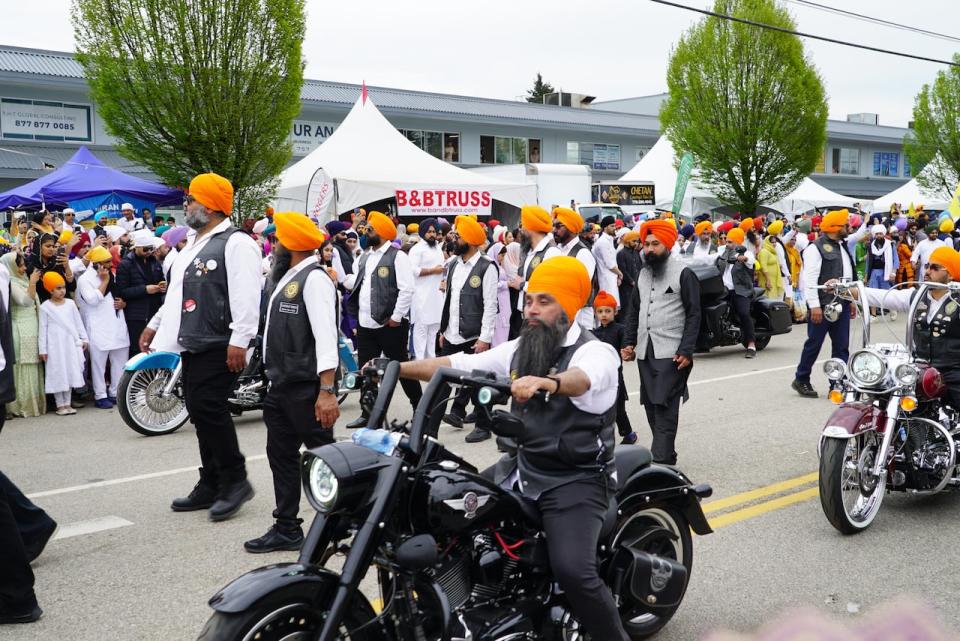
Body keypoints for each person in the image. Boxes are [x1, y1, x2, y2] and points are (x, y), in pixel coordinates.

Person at [398, 255, 629, 641]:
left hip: (577, 479)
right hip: (522, 467)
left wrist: (548, 382)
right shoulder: (524, 346)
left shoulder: (595, 352)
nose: (532, 309)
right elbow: (462, 362)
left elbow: (585, 379)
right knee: (447, 513)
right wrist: (396, 367)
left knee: (574, 571)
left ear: (568, 307)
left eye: (544, 301)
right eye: (529, 299)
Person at [140, 173, 261, 521]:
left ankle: (235, 479)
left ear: (211, 207)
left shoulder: (237, 243)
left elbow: (247, 297)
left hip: (221, 341)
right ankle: (211, 481)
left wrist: (240, 341)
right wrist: (155, 324)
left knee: (209, 407)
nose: (186, 205)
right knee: (197, 408)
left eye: (192, 199)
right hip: (193, 339)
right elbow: (177, 294)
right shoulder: (192, 245)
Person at [245, 213, 339, 554]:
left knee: (326, 458)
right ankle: (287, 527)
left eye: (279, 240)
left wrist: (326, 392)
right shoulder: (289, 276)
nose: (275, 245)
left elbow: (326, 338)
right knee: (281, 456)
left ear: (292, 245)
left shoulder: (314, 280)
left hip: (306, 388)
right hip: (281, 386)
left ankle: (344, 520)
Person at [622, 220, 701, 465]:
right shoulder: (643, 274)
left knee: (665, 405)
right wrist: (629, 342)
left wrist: (686, 350)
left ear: (667, 244)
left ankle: (661, 461)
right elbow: (634, 311)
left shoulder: (683, 273)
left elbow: (694, 313)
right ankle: (667, 454)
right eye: (646, 244)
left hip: (673, 352)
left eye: (655, 244)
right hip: (646, 351)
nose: (649, 249)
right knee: (651, 406)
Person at [842, 246, 960, 407]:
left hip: (953, 373)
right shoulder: (916, 296)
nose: (927, 271)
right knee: (887, 399)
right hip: (920, 371)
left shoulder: (957, 299)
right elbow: (881, 296)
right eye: (927, 266)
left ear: (950, 274)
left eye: (935, 267)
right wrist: (846, 290)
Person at [343, 211, 421, 428]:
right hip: (366, 323)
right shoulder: (364, 257)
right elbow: (358, 284)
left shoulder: (398, 257)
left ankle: (420, 408)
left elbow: (407, 289)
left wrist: (396, 317)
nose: (366, 232)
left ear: (383, 233)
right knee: (366, 370)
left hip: (390, 324)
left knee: (402, 368)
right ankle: (368, 414)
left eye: (370, 229)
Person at [438, 216, 499, 442]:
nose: (454, 240)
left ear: (471, 241)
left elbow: (490, 305)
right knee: (442, 381)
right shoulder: (453, 264)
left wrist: (485, 338)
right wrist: (443, 330)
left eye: (459, 236)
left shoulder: (487, 267)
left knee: (476, 384)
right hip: (451, 333)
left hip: (473, 335)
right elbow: (449, 300)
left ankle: (484, 426)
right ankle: (429, 426)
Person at [792, 209, 859, 398]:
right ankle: (801, 379)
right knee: (814, 344)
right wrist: (814, 305)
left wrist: (852, 301)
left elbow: (849, 277)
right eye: (846, 225)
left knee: (841, 346)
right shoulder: (816, 248)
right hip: (823, 305)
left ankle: (837, 383)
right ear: (835, 228)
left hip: (843, 304)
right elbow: (810, 279)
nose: (849, 227)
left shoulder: (842, 245)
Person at [76, 246, 129, 409]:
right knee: (99, 363)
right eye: (106, 262)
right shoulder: (85, 279)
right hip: (98, 325)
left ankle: (116, 392)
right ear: (97, 263)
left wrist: (123, 303)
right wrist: (104, 280)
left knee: (120, 359)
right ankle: (100, 395)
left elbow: (117, 294)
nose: (110, 264)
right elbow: (92, 300)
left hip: (117, 321)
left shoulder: (110, 273)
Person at [0, 253, 44, 418]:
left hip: (31, 326)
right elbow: (25, 301)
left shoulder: (21, 279)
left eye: (24, 264)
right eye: (20, 265)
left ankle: (33, 405)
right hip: (20, 328)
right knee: (23, 367)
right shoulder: (10, 281)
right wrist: (32, 282)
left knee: (32, 366)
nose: (24, 268)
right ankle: (19, 406)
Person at [38, 272, 88, 416]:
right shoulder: (45, 307)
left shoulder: (71, 304)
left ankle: (68, 402)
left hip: (70, 343)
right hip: (54, 346)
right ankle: (60, 404)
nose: (62, 291)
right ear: (50, 290)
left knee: (70, 370)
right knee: (57, 372)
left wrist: (84, 339)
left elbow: (78, 322)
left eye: (63, 288)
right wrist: (43, 349)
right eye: (58, 288)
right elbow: (43, 329)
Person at [592, 290, 635, 444]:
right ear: (595, 313)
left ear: (615, 312)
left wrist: (628, 352)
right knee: (601, 407)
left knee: (618, 408)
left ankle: (628, 433)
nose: (604, 314)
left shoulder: (620, 330)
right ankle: (602, 436)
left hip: (615, 376)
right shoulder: (593, 333)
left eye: (608, 311)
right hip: (599, 377)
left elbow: (627, 348)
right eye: (600, 311)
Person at [116, 229, 166, 359]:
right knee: (137, 349)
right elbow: (122, 291)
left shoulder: (153, 261)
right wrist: (145, 290)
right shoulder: (125, 264)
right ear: (136, 247)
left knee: (154, 347)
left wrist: (162, 286)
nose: (149, 252)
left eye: (151, 249)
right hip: (136, 315)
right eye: (146, 249)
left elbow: (159, 279)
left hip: (154, 310)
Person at [552, 207, 598, 330]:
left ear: (571, 228)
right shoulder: (559, 251)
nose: (554, 230)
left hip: (579, 322)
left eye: (558, 226)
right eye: (554, 226)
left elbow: (580, 291)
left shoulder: (582, 253)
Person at [512, 206, 561, 321]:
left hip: (540, 318)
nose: (521, 231)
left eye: (522, 226)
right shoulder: (528, 252)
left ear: (530, 228)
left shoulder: (552, 252)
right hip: (523, 315)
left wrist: (522, 285)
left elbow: (551, 288)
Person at [715, 228, 758, 357]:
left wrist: (742, 258)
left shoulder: (747, 252)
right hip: (723, 291)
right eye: (726, 241)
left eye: (730, 242)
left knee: (744, 314)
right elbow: (709, 258)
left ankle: (751, 344)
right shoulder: (723, 252)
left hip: (740, 291)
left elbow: (750, 260)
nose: (726, 244)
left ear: (738, 242)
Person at [408, 218, 444, 359]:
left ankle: (430, 363)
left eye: (434, 232)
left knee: (433, 332)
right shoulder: (417, 249)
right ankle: (419, 363)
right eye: (429, 232)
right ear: (423, 232)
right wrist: (432, 271)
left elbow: (440, 270)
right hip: (421, 297)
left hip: (436, 297)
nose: (432, 234)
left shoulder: (438, 249)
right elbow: (412, 270)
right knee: (420, 332)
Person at [29, 233, 74, 303]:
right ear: (38, 247)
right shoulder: (32, 266)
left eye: (53, 246)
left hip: (65, 302)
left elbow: (71, 285)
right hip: (46, 306)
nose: (51, 249)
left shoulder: (57, 261)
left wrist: (67, 267)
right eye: (48, 246)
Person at [593, 215, 623, 310]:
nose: (614, 228)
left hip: (611, 277)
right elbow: (609, 264)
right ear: (605, 227)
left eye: (614, 226)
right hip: (606, 279)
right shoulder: (602, 242)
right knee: (608, 306)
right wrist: (620, 274)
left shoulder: (609, 240)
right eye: (612, 226)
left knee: (612, 307)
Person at [864, 223, 895, 316]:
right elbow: (868, 262)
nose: (879, 236)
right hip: (874, 272)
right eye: (877, 234)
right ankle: (873, 315)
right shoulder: (871, 246)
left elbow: (895, 260)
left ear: (884, 234)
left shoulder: (890, 244)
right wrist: (866, 276)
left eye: (880, 234)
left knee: (887, 293)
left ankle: (892, 310)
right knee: (873, 293)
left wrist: (893, 273)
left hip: (886, 272)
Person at [486, 241, 511, 347]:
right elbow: (491, 285)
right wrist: (506, 284)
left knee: (504, 327)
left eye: (504, 255)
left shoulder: (500, 266)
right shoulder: (490, 267)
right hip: (497, 302)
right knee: (498, 330)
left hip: (504, 301)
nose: (502, 257)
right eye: (501, 255)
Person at [616, 229, 642, 322]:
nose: (636, 243)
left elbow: (640, 267)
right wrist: (631, 281)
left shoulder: (635, 253)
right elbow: (623, 270)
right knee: (626, 311)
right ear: (627, 241)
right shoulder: (621, 254)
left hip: (637, 286)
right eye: (634, 241)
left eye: (637, 241)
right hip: (626, 288)